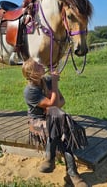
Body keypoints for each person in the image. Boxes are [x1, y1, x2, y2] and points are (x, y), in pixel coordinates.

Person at [22, 58, 88, 187]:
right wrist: (55, 84)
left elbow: (61, 101)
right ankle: (72, 174)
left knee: (56, 117)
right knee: (59, 124)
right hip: (37, 122)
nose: (42, 65)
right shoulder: (30, 91)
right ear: (33, 73)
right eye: (38, 65)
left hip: (54, 120)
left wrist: (54, 104)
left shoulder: (46, 80)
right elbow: (55, 103)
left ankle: (50, 158)